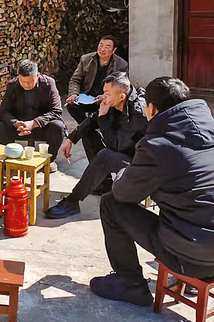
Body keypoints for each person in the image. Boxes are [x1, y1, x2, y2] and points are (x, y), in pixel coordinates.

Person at [90, 77, 214, 307]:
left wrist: (124, 171)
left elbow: (123, 193)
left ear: (151, 109)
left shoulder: (157, 143)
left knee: (111, 204)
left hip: (196, 256)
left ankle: (130, 283)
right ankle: (189, 270)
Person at [45, 73, 147, 220]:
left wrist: (103, 118)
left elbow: (115, 146)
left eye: (107, 93)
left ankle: (72, 202)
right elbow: (92, 119)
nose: (103, 97)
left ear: (122, 96)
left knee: (105, 156)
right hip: (125, 150)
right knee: (88, 133)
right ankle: (103, 185)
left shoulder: (138, 114)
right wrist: (71, 139)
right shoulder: (117, 100)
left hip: (140, 164)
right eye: (104, 92)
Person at [0, 60, 66, 171]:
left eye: (30, 82)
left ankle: (50, 159)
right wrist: (16, 123)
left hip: (42, 126)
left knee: (58, 127)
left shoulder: (49, 83)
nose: (26, 85)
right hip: (20, 127)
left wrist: (34, 123)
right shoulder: (13, 85)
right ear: (18, 77)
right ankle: (12, 155)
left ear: (37, 76)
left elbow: (56, 111)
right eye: (23, 81)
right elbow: (3, 111)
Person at [66, 35, 128, 125]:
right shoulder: (86, 59)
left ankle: (87, 128)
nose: (102, 49)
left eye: (107, 47)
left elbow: (121, 88)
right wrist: (73, 94)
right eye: (101, 45)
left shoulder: (121, 65)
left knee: (114, 109)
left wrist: (105, 96)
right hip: (87, 97)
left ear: (114, 50)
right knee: (71, 106)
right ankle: (88, 127)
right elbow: (75, 80)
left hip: (105, 98)